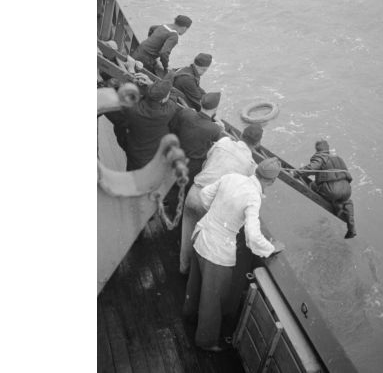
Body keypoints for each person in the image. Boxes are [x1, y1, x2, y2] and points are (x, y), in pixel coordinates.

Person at [183, 157, 285, 352]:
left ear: (256, 171)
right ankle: (206, 341)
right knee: (213, 298)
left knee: (194, 282)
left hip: (201, 235)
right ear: (271, 182)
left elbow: (204, 195)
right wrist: (271, 248)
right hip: (217, 251)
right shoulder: (254, 197)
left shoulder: (231, 177)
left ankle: (188, 315)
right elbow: (253, 237)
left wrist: (217, 216)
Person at [179, 124, 264, 275]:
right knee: (201, 242)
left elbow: (208, 158)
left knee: (186, 234)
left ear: (241, 134)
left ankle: (183, 267)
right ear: (257, 144)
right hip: (209, 202)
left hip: (194, 192)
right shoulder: (250, 166)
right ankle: (194, 276)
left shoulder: (223, 142)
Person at [105, 76, 179, 171]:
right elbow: (174, 94)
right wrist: (151, 84)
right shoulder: (168, 111)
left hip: (135, 154)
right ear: (163, 100)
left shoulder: (133, 110)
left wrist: (152, 88)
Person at [301, 140, 356, 239]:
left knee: (313, 185)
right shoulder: (339, 158)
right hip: (347, 191)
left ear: (317, 150)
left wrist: (297, 172)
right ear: (328, 148)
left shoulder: (320, 157)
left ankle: (337, 206)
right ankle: (351, 226)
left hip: (332, 191)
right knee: (345, 200)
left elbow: (312, 168)